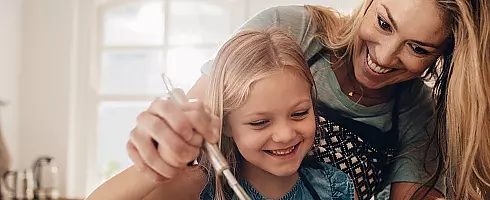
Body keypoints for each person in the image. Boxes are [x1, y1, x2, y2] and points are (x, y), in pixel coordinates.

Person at [109, 0, 490, 199]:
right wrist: (166, 146)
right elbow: (196, 122)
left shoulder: (418, 117)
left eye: (418, 48)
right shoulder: (292, 31)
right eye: (384, 23)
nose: (385, 57)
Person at [87, 28, 357, 200]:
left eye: (299, 113)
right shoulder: (200, 186)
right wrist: (157, 166)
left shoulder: (335, 188)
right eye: (260, 122)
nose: (285, 134)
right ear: (226, 124)